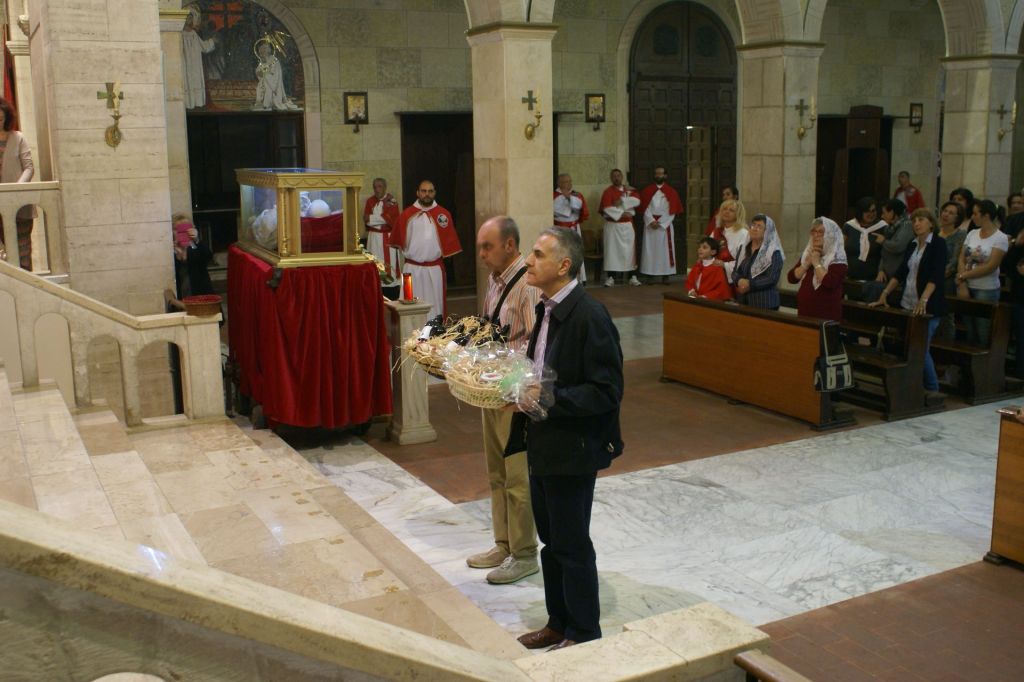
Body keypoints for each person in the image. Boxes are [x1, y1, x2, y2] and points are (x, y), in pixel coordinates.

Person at [510, 227, 623, 652]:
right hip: (544, 441)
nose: (528, 261)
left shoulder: (590, 316)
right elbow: (540, 371)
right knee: (551, 542)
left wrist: (548, 398)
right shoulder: (547, 309)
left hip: (573, 447)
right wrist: (516, 389)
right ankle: (558, 622)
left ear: (563, 265)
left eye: (538, 254)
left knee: (572, 544)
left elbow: (606, 391)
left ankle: (584, 632)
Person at [468, 216, 540, 585]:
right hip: (491, 388)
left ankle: (525, 553)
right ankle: (504, 543)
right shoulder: (494, 281)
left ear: (509, 246)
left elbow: (535, 344)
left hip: (514, 393)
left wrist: (514, 384)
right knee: (496, 472)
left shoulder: (527, 285)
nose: (481, 254)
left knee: (516, 476)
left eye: (488, 247)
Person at [869, 209, 947, 393]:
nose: (916, 224)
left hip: (929, 305)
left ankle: (933, 389)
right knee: (908, 347)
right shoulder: (913, 244)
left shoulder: (938, 244)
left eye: (921, 220)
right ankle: (913, 385)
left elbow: (936, 275)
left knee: (920, 348)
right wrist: (885, 293)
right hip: (908, 302)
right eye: (914, 221)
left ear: (931, 223)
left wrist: (924, 299)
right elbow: (902, 272)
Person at [390, 180, 461, 320]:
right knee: (410, 308)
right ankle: (411, 332)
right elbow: (397, 242)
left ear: (434, 193)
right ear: (417, 193)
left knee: (435, 308)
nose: (427, 194)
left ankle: (434, 332)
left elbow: (449, 243)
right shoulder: (406, 215)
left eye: (430, 191)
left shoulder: (443, 215)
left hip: (434, 270)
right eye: (423, 191)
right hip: (411, 270)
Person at [956, 199, 1008, 345]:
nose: (972, 217)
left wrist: (962, 276)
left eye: (975, 214)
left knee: (983, 329)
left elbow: (990, 266)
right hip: (966, 285)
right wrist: (962, 283)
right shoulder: (972, 233)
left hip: (986, 288)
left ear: (986, 215)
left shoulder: (1000, 237)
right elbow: (961, 258)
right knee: (969, 329)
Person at [788, 218, 848, 322]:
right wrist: (806, 264)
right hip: (804, 312)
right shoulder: (808, 253)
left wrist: (816, 263)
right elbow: (791, 278)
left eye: (820, 232)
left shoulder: (838, 259)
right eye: (813, 231)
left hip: (826, 315)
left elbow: (830, 282)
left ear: (830, 236)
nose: (815, 235)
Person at [0, 97, 35, 270]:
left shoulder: (18, 138)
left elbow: (29, 168)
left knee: (22, 254)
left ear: (6, 117)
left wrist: (16, 189)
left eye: (0, 118)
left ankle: (27, 283)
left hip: (19, 204)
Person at [638, 166, 684, 284]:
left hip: (664, 226)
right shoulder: (647, 191)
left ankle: (665, 275)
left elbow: (672, 210)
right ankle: (650, 275)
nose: (658, 175)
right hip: (650, 225)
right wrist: (651, 220)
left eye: (661, 173)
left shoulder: (671, 192)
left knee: (665, 251)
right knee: (649, 250)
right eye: (656, 173)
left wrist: (661, 222)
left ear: (665, 176)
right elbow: (645, 208)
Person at [731, 214, 784, 310]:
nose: (755, 229)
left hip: (765, 303)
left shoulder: (773, 252)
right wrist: (739, 280)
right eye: (753, 225)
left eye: (759, 226)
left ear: (767, 232)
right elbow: (735, 271)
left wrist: (749, 284)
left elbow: (771, 278)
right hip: (743, 300)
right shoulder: (743, 248)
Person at [599, 168, 641, 287]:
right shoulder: (608, 192)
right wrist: (622, 213)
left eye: (618, 175)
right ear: (611, 178)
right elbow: (606, 208)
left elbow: (637, 201)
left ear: (622, 177)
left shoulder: (630, 190)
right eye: (614, 176)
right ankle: (610, 277)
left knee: (629, 251)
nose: (616, 178)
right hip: (613, 226)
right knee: (612, 252)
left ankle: (632, 277)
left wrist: (622, 200)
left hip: (627, 226)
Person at [937, 201, 967, 341]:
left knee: (946, 316)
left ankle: (946, 346)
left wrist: (938, 276)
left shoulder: (960, 235)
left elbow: (955, 261)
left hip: (947, 280)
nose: (946, 215)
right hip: (932, 277)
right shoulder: (936, 233)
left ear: (957, 218)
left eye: (951, 213)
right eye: (945, 211)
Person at [553, 173, 590, 283]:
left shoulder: (577, 195)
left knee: (575, 253)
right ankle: (562, 278)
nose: (568, 184)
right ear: (559, 183)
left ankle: (579, 279)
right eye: (565, 182)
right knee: (562, 253)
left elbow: (581, 209)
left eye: (569, 181)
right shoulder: (553, 195)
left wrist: (570, 198)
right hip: (560, 229)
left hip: (574, 228)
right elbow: (555, 211)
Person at [171, 213, 214, 301]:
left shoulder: (195, 246)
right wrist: (177, 255)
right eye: (177, 229)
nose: (182, 232)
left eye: (186, 229)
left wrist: (197, 240)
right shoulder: (169, 250)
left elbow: (208, 256)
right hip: (180, 297)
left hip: (201, 295)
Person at [363, 177, 400, 276]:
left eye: (379, 187)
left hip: (387, 237)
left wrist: (372, 219)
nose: (377, 189)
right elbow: (366, 220)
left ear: (385, 187)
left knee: (389, 266)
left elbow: (391, 219)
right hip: (373, 238)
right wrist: (382, 220)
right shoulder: (370, 201)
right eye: (375, 187)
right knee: (374, 262)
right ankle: (375, 282)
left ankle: (391, 284)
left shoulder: (391, 201)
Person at [841, 197, 885, 281]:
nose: (871, 214)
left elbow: (887, 254)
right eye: (867, 211)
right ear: (860, 212)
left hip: (873, 279)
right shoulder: (849, 226)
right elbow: (840, 250)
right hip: (849, 277)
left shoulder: (882, 227)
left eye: (873, 211)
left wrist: (882, 270)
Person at [182, 5, 217, 110]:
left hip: (195, 64)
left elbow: (203, 47)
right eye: (187, 17)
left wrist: (212, 41)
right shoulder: (180, 34)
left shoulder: (194, 34)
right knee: (187, 81)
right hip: (185, 63)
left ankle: (197, 102)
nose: (189, 19)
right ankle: (188, 103)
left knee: (195, 81)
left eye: (191, 17)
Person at [253, 40, 298, 111]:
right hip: (264, 81)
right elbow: (258, 70)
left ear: (268, 50)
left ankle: (267, 104)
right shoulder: (262, 61)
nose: (262, 51)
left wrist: (265, 74)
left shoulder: (274, 60)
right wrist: (259, 72)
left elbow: (275, 74)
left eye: (264, 48)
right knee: (259, 88)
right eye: (261, 49)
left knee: (267, 87)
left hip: (274, 84)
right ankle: (262, 103)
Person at [710, 199, 749, 280]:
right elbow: (707, 251)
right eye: (724, 209)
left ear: (738, 214)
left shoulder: (744, 234)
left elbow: (744, 261)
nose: (727, 212)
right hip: (714, 274)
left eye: (731, 210)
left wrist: (725, 265)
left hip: (733, 278)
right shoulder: (716, 231)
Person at [685, 236, 732, 301]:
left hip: (709, 301)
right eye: (699, 247)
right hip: (695, 299)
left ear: (713, 252)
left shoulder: (717, 268)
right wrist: (692, 291)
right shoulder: (698, 265)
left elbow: (720, 290)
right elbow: (690, 282)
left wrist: (705, 296)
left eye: (704, 247)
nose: (700, 249)